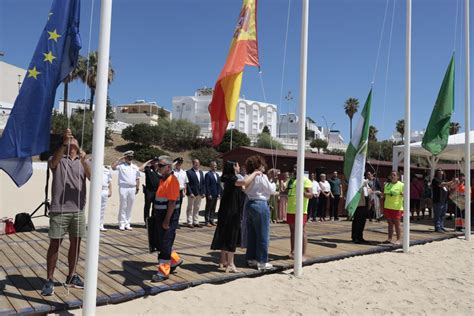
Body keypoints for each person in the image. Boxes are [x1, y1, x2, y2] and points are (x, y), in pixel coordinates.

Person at [41, 129, 91, 296]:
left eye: (73, 138)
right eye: (67, 139)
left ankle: (71, 275)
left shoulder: (83, 160)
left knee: (76, 243)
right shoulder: (58, 159)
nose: (71, 140)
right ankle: (49, 279)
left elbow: (92, 176)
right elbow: (52, 163)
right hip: (59, 209)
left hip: (78, 210)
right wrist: (64, 144)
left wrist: (84, 160)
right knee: (55, 244)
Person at [211, 161, 260, 272]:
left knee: (224, 234)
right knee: (231, 235)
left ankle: (223, 260)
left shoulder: (227, 178)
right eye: (237, 165)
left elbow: (244, 187)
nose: (239, 167)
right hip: (231, 211)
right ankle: (231, 263)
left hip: (226, 210)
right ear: (233, 167)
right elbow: (244, 182)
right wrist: (255, 173)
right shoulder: (232, 178)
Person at [152, 156, 183, 282]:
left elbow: (171, 202)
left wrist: (166, 220)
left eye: (161, 165)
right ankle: (175, 260)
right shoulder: (163, 179)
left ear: (168, 167)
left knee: (165, 243)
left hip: (168, 217)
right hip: (161, 215)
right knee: (163, 241)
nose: (158, 167)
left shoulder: (172, 181)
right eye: (158, 165)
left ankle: (163, 272)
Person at [244, 155, 276, 271]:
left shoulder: (248, 176)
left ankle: (251, 258)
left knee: (252, 234)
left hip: (250, 204)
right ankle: (262, 261)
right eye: (262, 164)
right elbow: (271, 190)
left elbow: (245, 189)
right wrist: (273, 182)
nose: (264, 166)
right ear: (259, 165)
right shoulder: (262, 176)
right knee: (263, 234)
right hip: (261, 204)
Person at [286, 165, 313, 260]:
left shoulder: (306, 180)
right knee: (292, 231)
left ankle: (303, 254)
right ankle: (293, 251)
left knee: (302, 231)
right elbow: (286, 192)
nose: (294, 169)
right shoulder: (291, 180)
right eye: (293, 168)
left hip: (301, 210)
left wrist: (302, 192)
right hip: (290, 209)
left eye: (296, 167)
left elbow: (310, 195)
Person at [112, 151, 140, 231]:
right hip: (123, 187)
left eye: (131, 157)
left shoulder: (135, 166)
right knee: (123, 205)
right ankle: (121, 223)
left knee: (130, 206)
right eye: (128, 157)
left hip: (132, 188)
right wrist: (120, 159)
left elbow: (137, 178)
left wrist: (137, 187)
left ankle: (127, 223)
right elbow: (113, 167)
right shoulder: (121, 166)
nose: (130, 158)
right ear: (125, 157)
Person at [383, 170, 404, 244]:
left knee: (397, 224)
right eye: (391, 175)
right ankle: (389, 238)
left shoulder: (401, 185)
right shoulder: (387, 185)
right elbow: (385, 195)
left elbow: (405, 195)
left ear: (398, 177)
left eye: (394, 175)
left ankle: (398, 239)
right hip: (387, 206)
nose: (392, 176)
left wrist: (402, 194)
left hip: (397, 207)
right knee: (390, 223)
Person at [139, 157, 161, 224]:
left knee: (155, 207)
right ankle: (146, 221)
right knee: (147, 207)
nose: (156, 163)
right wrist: (147, 162)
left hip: (157, 191)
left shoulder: (160, 170)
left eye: (157, 161)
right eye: (154, 161)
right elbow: (140, 169)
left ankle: (153, 221)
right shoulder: (148, 169)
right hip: (149, 191)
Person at [186, 159, 205, 228]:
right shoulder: (189, 172)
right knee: (190, 208)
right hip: (192, 194)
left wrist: (203, 192)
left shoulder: (201, 172)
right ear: (193, 164)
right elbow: (187, 184)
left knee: (197, 208)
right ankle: (189, 222)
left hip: (199, 193)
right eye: (195, 163)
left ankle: (196, 221)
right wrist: (190, 192)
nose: (197, 164)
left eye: (198, 163)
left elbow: (203, 183)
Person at [204, 161, 222, 226]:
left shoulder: (217, 175)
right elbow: (207, 185)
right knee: (208, 207)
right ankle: (207, 221)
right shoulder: (208, 174)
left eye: (216, 166)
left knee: (213, 208)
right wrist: (208, 194)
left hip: (216, 194)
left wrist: (219, 193)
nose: (215, 167)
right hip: (210, 194)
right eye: (214, 166)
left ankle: (211, 220)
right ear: (211, 166)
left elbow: (218, 185)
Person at [172, 157, 188, 225]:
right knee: (172, 207)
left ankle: (176, 221)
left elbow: (185, 182)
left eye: (180, 163)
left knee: (179, 207)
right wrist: (174, 164)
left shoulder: (183, 172)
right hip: (173, 191)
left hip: (180, 191)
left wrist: (185, 191)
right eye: (178, 163)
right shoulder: (172, 171)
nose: (179, 164)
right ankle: (171, 220)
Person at [100, 166, 112, 232]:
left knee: (102, 208)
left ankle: (101, 225)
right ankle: (94, 224)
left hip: (105, 190)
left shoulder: (107, 170)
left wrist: (110, 190)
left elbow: (109, 181)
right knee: (95, 208)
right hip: (97, 190)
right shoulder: (94, 167)